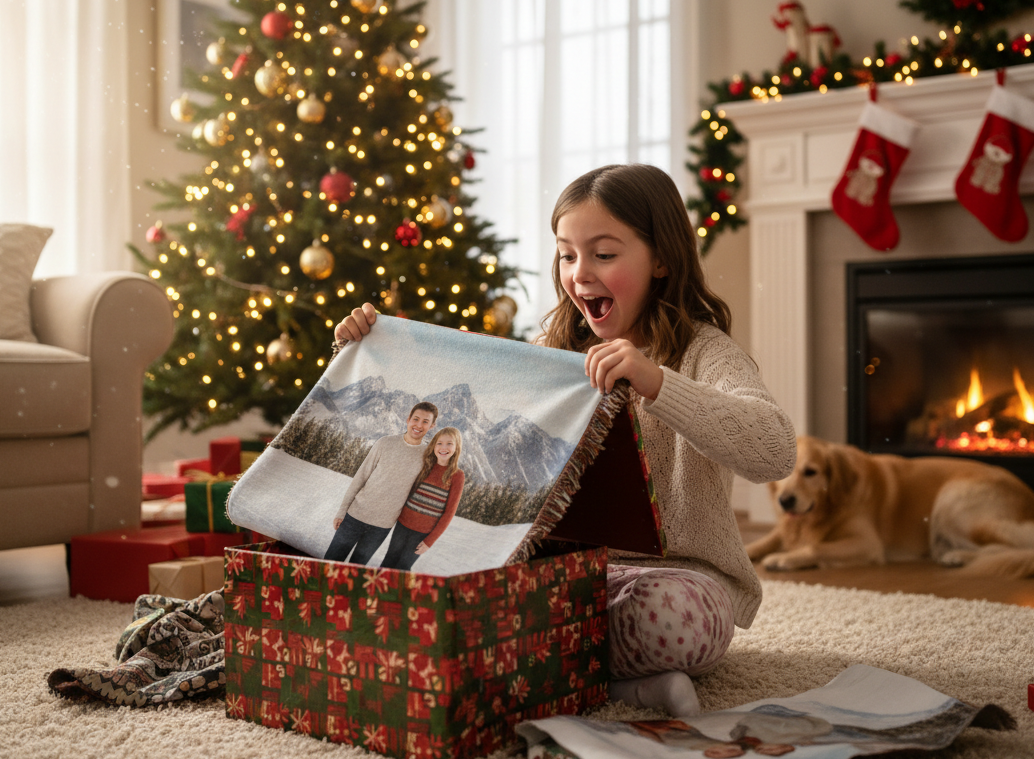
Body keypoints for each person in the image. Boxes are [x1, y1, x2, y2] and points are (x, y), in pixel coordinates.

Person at [335, 163, 796, 718]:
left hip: (675, 579)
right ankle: (623, 687)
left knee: (670, 621)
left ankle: (523, 668)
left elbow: (775, 450)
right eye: (567, 254)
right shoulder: (550, 349)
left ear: (663, 259)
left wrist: (657, 381)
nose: (580, 274)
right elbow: (458, 422)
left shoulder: (705, 351)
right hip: (562, 576)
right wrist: (363, 351)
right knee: (460, 597)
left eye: (604, 254)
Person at [322, 401, 437, 565]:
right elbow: (360, 477)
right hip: (354, 516)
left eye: (425, 421)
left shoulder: (428, 457)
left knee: (356, 571)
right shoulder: (385, 443)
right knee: (329, 562)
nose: (419, 425)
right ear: (408, 419)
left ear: (432, 425)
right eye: (416, 419)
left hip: (382, 527)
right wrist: (342, 511)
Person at [380, 426, 466, 571]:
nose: (443, 447)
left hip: (423, 533)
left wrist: (430, 541)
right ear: (433, 446)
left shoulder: (457, 475)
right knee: (389, 560)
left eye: (449, 444)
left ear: (457, 448)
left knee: (403, 567)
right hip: (402, 524)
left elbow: (449, 513)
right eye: (439, 443)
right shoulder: (426, 466)